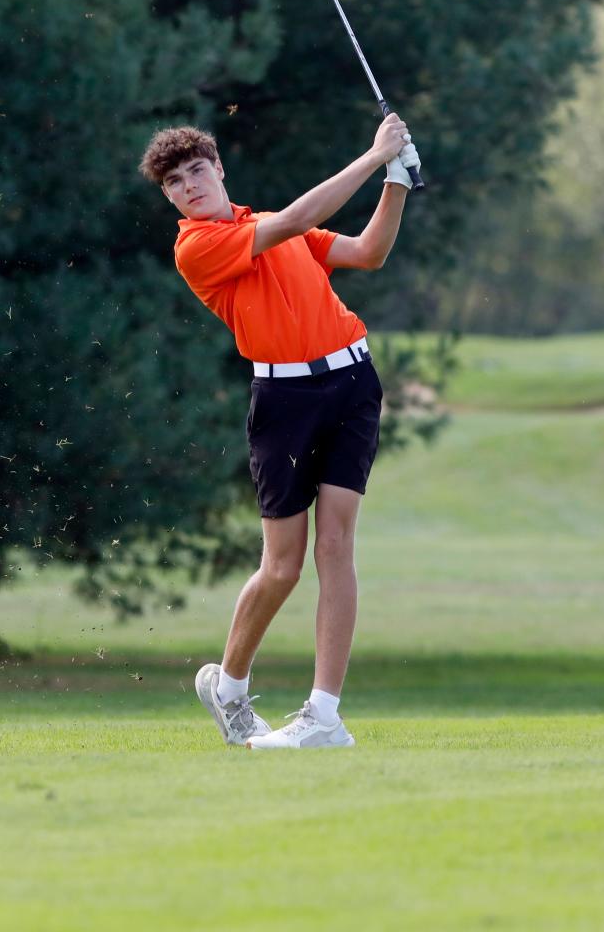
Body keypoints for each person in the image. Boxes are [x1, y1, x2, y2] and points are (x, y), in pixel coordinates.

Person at [138, 114, 421, 749]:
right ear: (170, 198)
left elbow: (367, 253)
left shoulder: (267, 223)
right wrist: (376, 155)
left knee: (337, 546)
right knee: (284, 566)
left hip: (353, 382)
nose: (189, 186)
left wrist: (396, 183)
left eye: (196, 171)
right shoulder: (198, 246)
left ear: (218, 169)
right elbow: (293, 220)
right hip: (285, 400)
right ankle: (229, 686)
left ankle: (324, 716)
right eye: (175, 182)